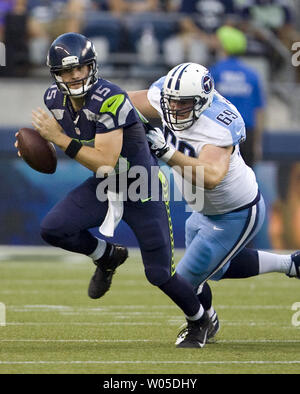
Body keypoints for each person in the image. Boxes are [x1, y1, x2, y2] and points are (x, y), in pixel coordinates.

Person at [14, 33, 215, 349]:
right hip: (106, 186)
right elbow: (77, 138)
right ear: (56, 74)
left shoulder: (111, 98)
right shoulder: (54, 99)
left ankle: (199, 319)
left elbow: (105, 162)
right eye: (67, 71)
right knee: (53, 228)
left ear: (92, 66)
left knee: (160, 274)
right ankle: (107, 256)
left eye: (81, 68)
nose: (75, 75)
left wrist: (59, 139)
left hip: (140, 186)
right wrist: (34, 147)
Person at [128, 62, 300, 343]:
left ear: (202, 100)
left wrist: (167, 153)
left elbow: (211, 177)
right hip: (202, 209)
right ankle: (291, 265)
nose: (173, 109)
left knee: (182, 280)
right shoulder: (166, 97)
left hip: (236, 212)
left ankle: (200, 326)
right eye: (171, 102)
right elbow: (122, 103)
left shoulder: (219, 122)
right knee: (216, 270)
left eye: (182, 104)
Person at [210, 26, 266, 167]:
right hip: (247, 134)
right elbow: (259, 111)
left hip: (220, 132)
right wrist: (258, 143)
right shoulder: (252, 74)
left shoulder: (215, 72)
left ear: (224, 45)